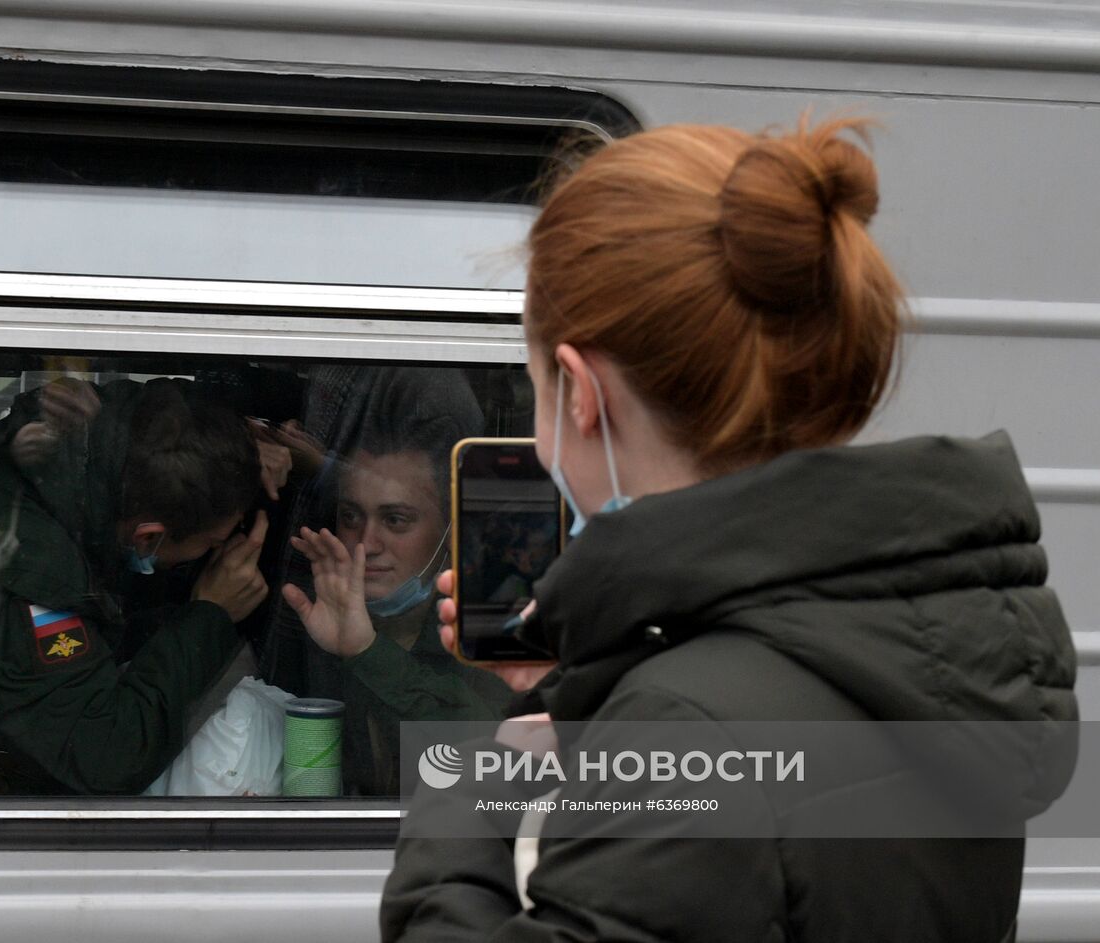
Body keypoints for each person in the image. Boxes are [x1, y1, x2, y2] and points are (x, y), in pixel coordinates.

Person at [381, 116, 1078, 940]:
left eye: (531, 386)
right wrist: (603, 691)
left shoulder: (688, 727)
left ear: (577, 390)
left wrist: (474, 780)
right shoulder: (936, 646)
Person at [0, 376, 269, 795]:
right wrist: (210, 614)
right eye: (212, 543)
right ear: (148, 538)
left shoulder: (96, 457)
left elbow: (160, 405)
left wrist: (233, 454)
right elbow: (104, 756)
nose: (219, 553)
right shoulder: (45, 581)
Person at [283, 426, 513, 796]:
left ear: (450, 534)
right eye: (351, 517)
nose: (367, 543)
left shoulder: (489, 639)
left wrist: (367, 652)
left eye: (395, 520)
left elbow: (500, 764)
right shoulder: (309, 626)